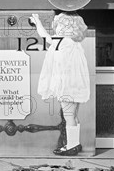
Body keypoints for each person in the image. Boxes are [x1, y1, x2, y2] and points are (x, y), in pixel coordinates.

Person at [30, 11, 90, 156]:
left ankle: (71, 146)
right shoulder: (74, 43)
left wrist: (37, 22)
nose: (59, 27)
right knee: (73, 116)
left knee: (69, 116)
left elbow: (45, 37)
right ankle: (75, 144)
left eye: (62, 24)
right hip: (76, 85)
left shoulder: (62, 41)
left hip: (67, 86)